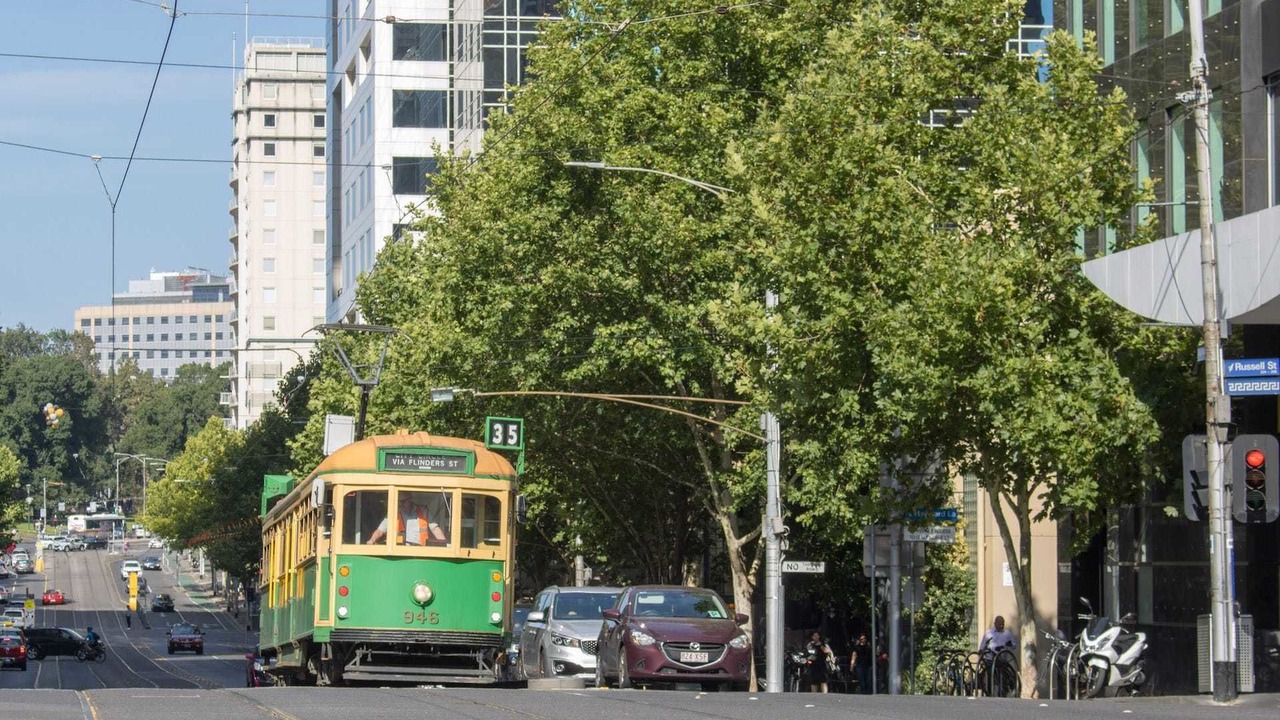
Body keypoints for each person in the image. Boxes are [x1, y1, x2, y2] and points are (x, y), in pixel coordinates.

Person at [367, 494, 447, 545]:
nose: (401, 504)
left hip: (421, 551)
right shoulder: (393, 513)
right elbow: (380, 530)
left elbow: (435, 529)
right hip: (401, 551)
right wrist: (372, 540)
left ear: (410, 499)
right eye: (398, 502)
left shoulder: (423, 511)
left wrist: (444, 543)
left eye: (403, 501)